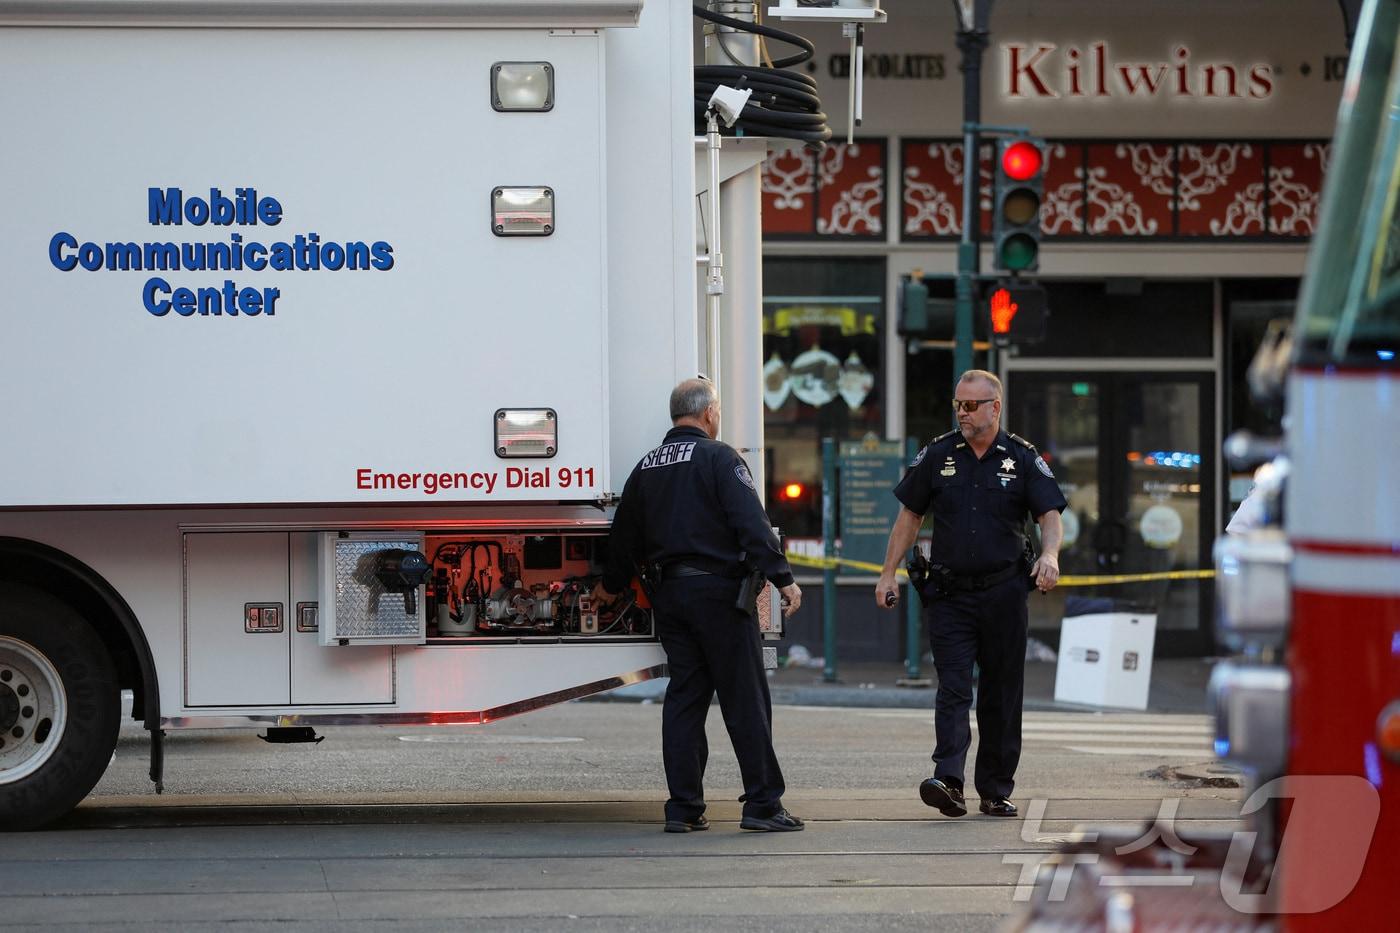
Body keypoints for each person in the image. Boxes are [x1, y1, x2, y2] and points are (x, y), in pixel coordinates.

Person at [595, 377, 804, 833]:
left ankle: (684, 808)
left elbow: (623, 538)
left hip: (671, 599)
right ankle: (763, 805)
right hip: (720, 596)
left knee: (685, 699)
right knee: (745, 699)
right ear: (709, 413)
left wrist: (610, 586)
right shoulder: (720, 458)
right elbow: (751, 523)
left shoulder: (647, 466)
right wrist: (783, 579)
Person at [874, 369, 1066, 819]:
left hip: (1004, 595)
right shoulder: (939, 454)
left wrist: (1051, 555)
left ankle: (995, 789)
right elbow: (909, 516)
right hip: (950, 595)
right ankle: (949, 781)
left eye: (971, 405)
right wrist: (887, 574)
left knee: (1001, 693)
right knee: (954, 688)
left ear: (995, 407)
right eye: (958, 404)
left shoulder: (1020, 457)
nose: (962, 413)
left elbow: (1049, 514)